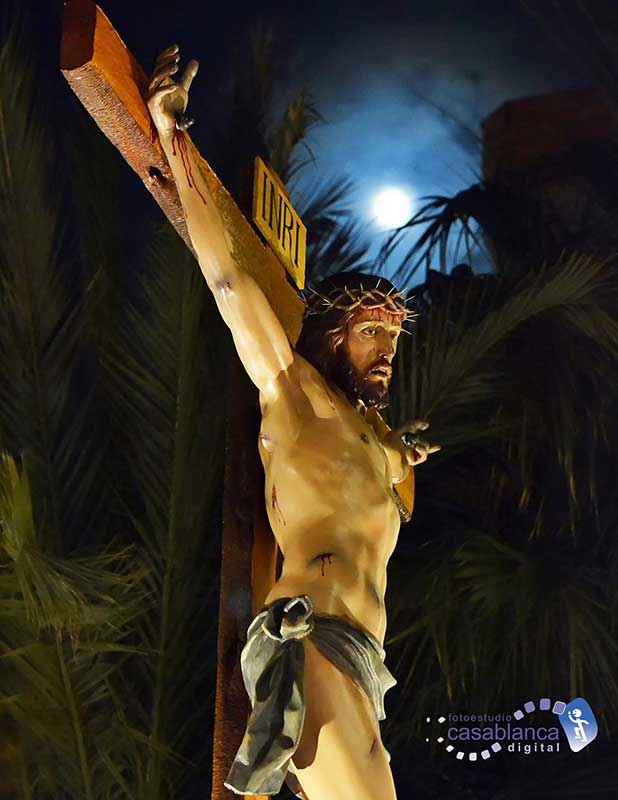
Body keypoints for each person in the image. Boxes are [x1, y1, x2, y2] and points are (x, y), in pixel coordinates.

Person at [147, 45, 439, 800]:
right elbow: (228, 281)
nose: (386, 353)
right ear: (333, 337)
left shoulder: (375, 442)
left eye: (394, 338)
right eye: (371, 333)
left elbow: (389, 477)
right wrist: (173, 141)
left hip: (367, 666)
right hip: (310, 639)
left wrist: (403, 450)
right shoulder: (294, 391)